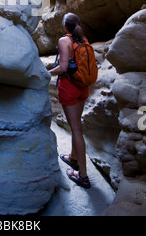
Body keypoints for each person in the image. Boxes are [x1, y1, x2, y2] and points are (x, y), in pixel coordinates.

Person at [49, 12, 91, 189]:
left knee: (76, 129)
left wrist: (46, 73)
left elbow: (63, 67)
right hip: (83, 87)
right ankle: (73, 158)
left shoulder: (64, 41)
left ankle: (83, 176)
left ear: (65, 26)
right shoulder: (84, 40)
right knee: (77, 126)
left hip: (69, 88)